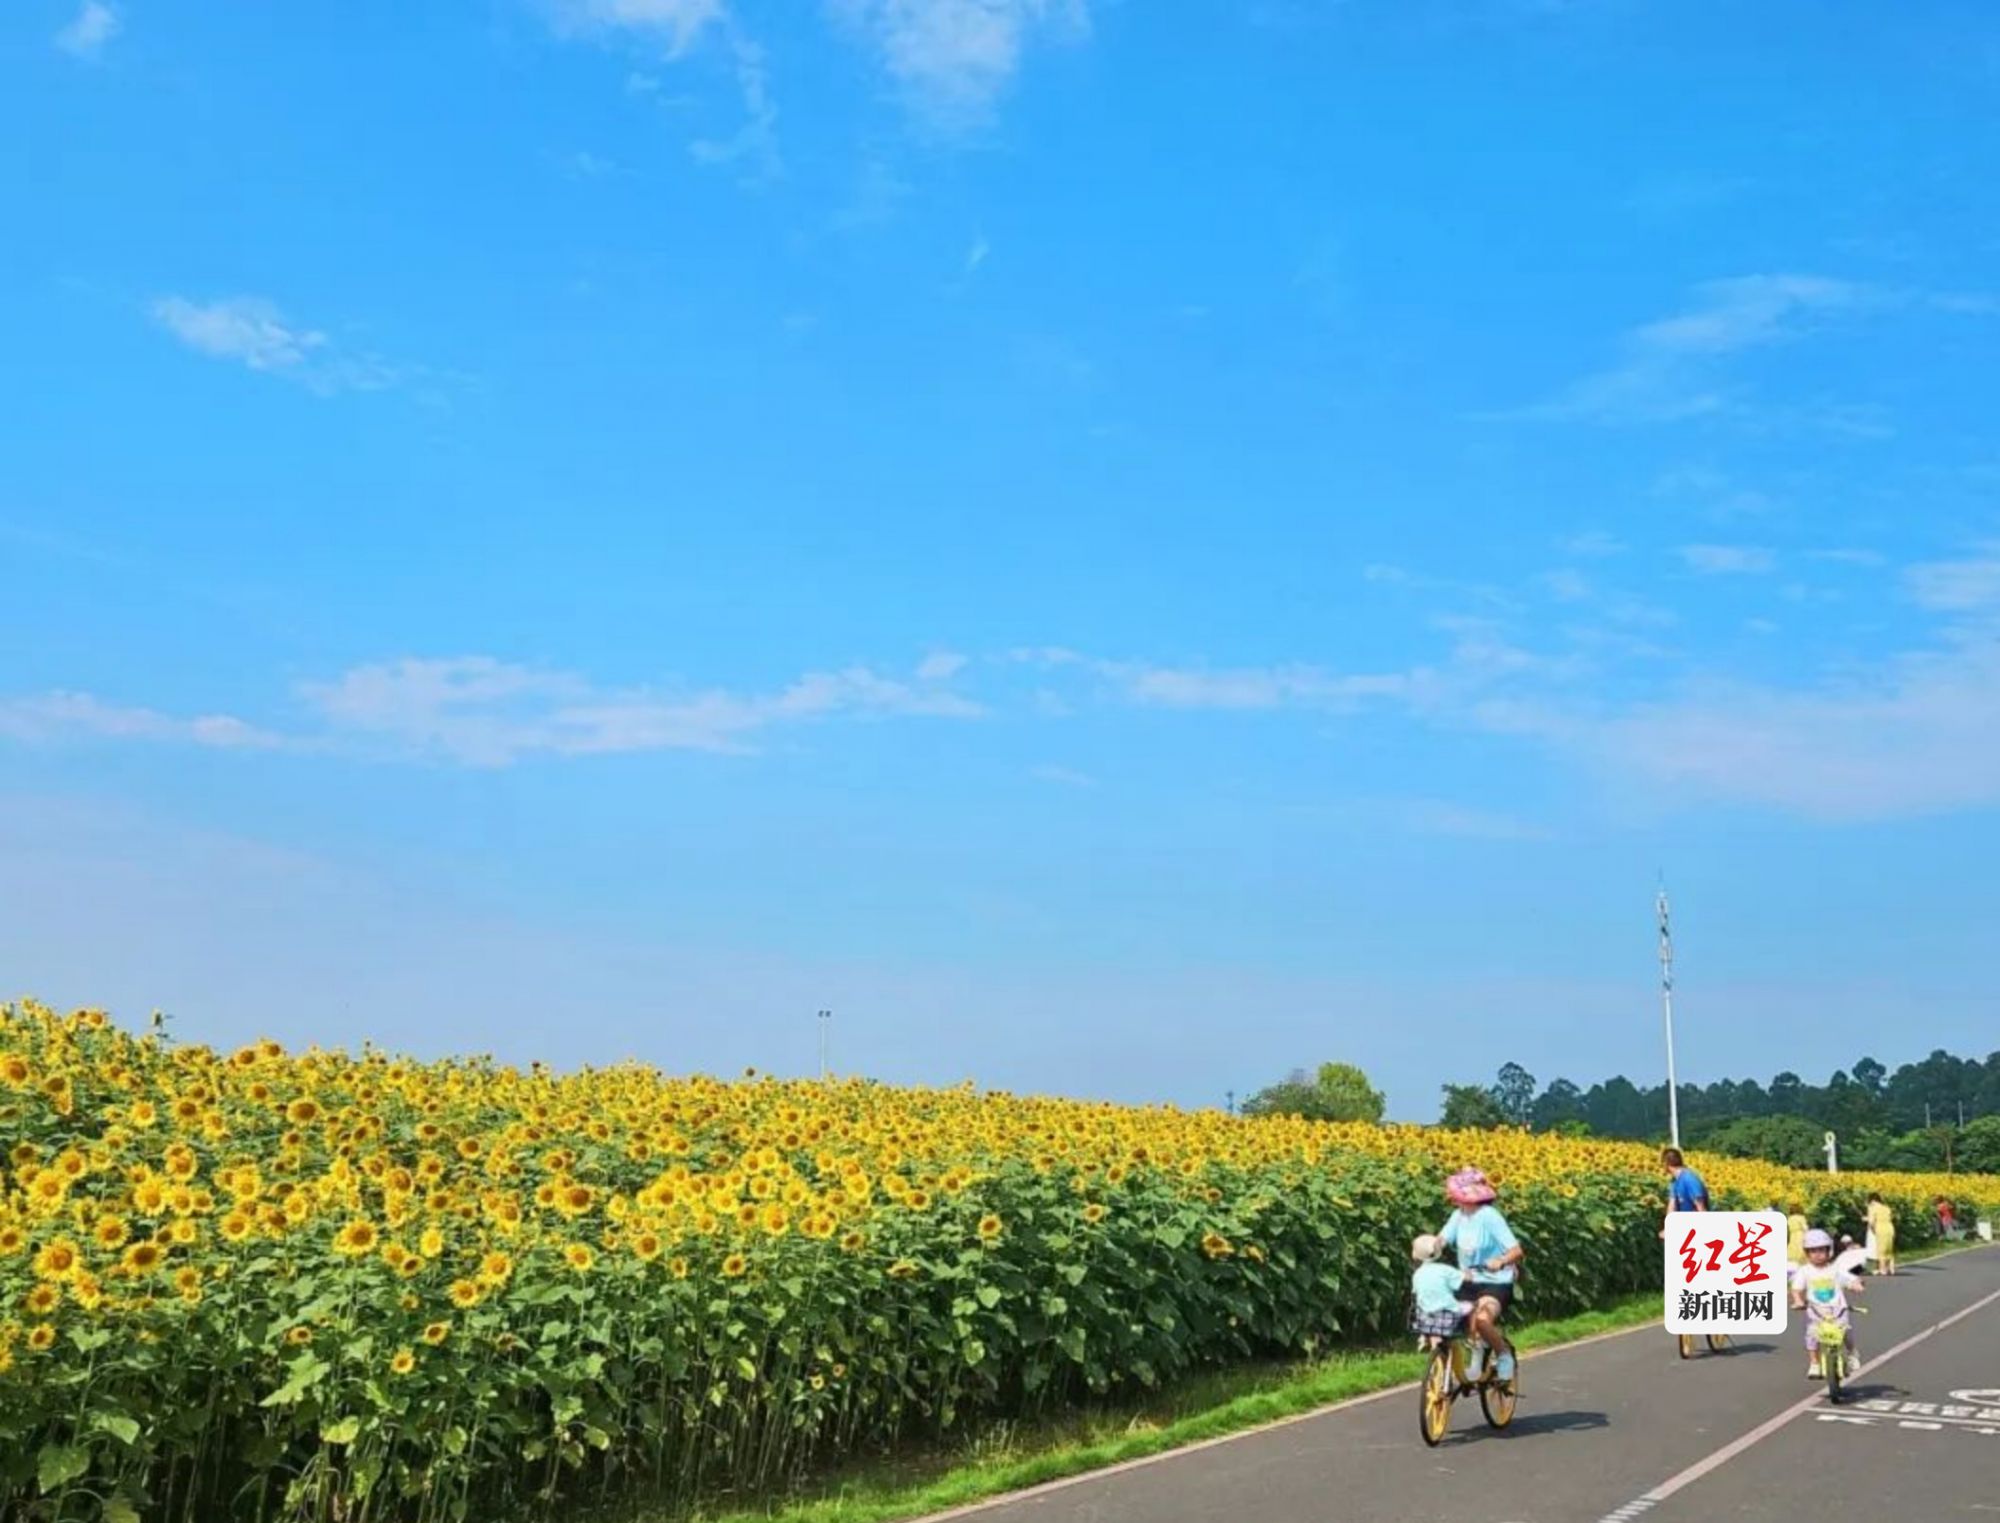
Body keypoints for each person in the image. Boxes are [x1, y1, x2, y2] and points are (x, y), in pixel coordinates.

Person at [1436, 1167, 1524, 1385]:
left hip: (1495, 1282)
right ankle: (1473, 1354)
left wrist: (1501, 1261)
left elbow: (1516, 1250)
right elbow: (1442, 1239)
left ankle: (1503, 1356)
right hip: (1467, 1280)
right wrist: (1427, 1247)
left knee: (1483, 1320)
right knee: (1451, 1318)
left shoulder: (1489, 1217)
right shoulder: (1459, 1215)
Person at [1791, 1227, 1864, 1380]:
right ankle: (1814, 1363)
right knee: (1812, 1335)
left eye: (1821, 1250)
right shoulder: (1805, 1271)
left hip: (1838, 1309)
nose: (1817, 1255)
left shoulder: (1835, 1269)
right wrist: (1798, 1300)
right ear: (1806, 1253)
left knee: (1845, 1331)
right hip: (1816, 1311)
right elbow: (1797, 1289)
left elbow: (1850, 1280)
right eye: (1812, 1251)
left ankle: (1852, 1353)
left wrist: (1856, 1284)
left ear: (1829, 1251)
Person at [1663, 1148, 1710, 1214]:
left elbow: (1701, 1207)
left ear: (1666, 1163)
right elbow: (1672, 1205)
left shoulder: (1689, 1179)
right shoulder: (1674, 1181)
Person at [1865, 1193, 1897, 1276]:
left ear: (1872, 1200)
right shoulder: (1887, 1208)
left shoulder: (1872, 1208)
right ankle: (1891, 1269)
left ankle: (1883, 1270)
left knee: (1881, 1250)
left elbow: (1871, 1222)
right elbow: (1890, 1218)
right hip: (1890, 1228)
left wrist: (1873, 1230)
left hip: (1880, 1228)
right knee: (1889, 1249)